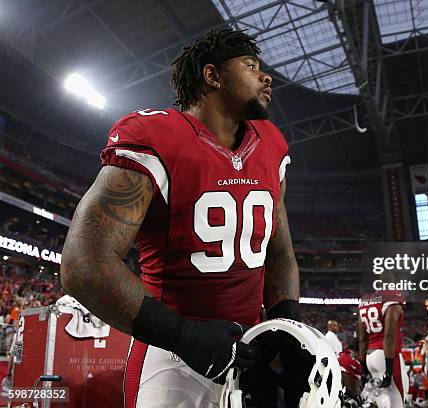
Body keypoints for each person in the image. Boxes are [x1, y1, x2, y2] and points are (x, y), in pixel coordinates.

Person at [60, 28, 300, 408]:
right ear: (212, 76)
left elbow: (279, 250)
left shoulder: (270, 144)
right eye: (250, 65)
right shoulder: (157, 136)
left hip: (250, 351)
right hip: (173, 357)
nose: (266, 75)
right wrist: (184, 336)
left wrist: (287, 329)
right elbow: (83, 264)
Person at [358, 290, 406, 407]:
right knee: (397, 398)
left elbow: (362, 339)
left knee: (382, 400)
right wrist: (389, 370)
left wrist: (363, 367)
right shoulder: (392, 297)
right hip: (386, 355)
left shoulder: (365, 301)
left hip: (370, 355)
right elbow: (389, 335)